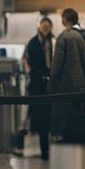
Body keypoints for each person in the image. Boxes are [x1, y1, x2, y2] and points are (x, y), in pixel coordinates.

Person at [49, 8, 85, 138]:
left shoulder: (64, 36)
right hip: (80, 85)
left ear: (65, 20)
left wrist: (52, 82)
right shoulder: (82, 37)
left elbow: (57, 63)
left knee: (62, 120)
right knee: (77, 118)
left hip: (65, 86)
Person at [23, 17, 55, 160]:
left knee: (50, 116)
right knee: (40, 117)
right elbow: (28, 61)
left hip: (51, 83)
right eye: (44, 26)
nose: (46, 28)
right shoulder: (33, 43)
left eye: (48, 26)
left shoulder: (54, 42)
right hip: (37, 83)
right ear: (39, 27)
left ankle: (50, 147)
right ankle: (43, 149)